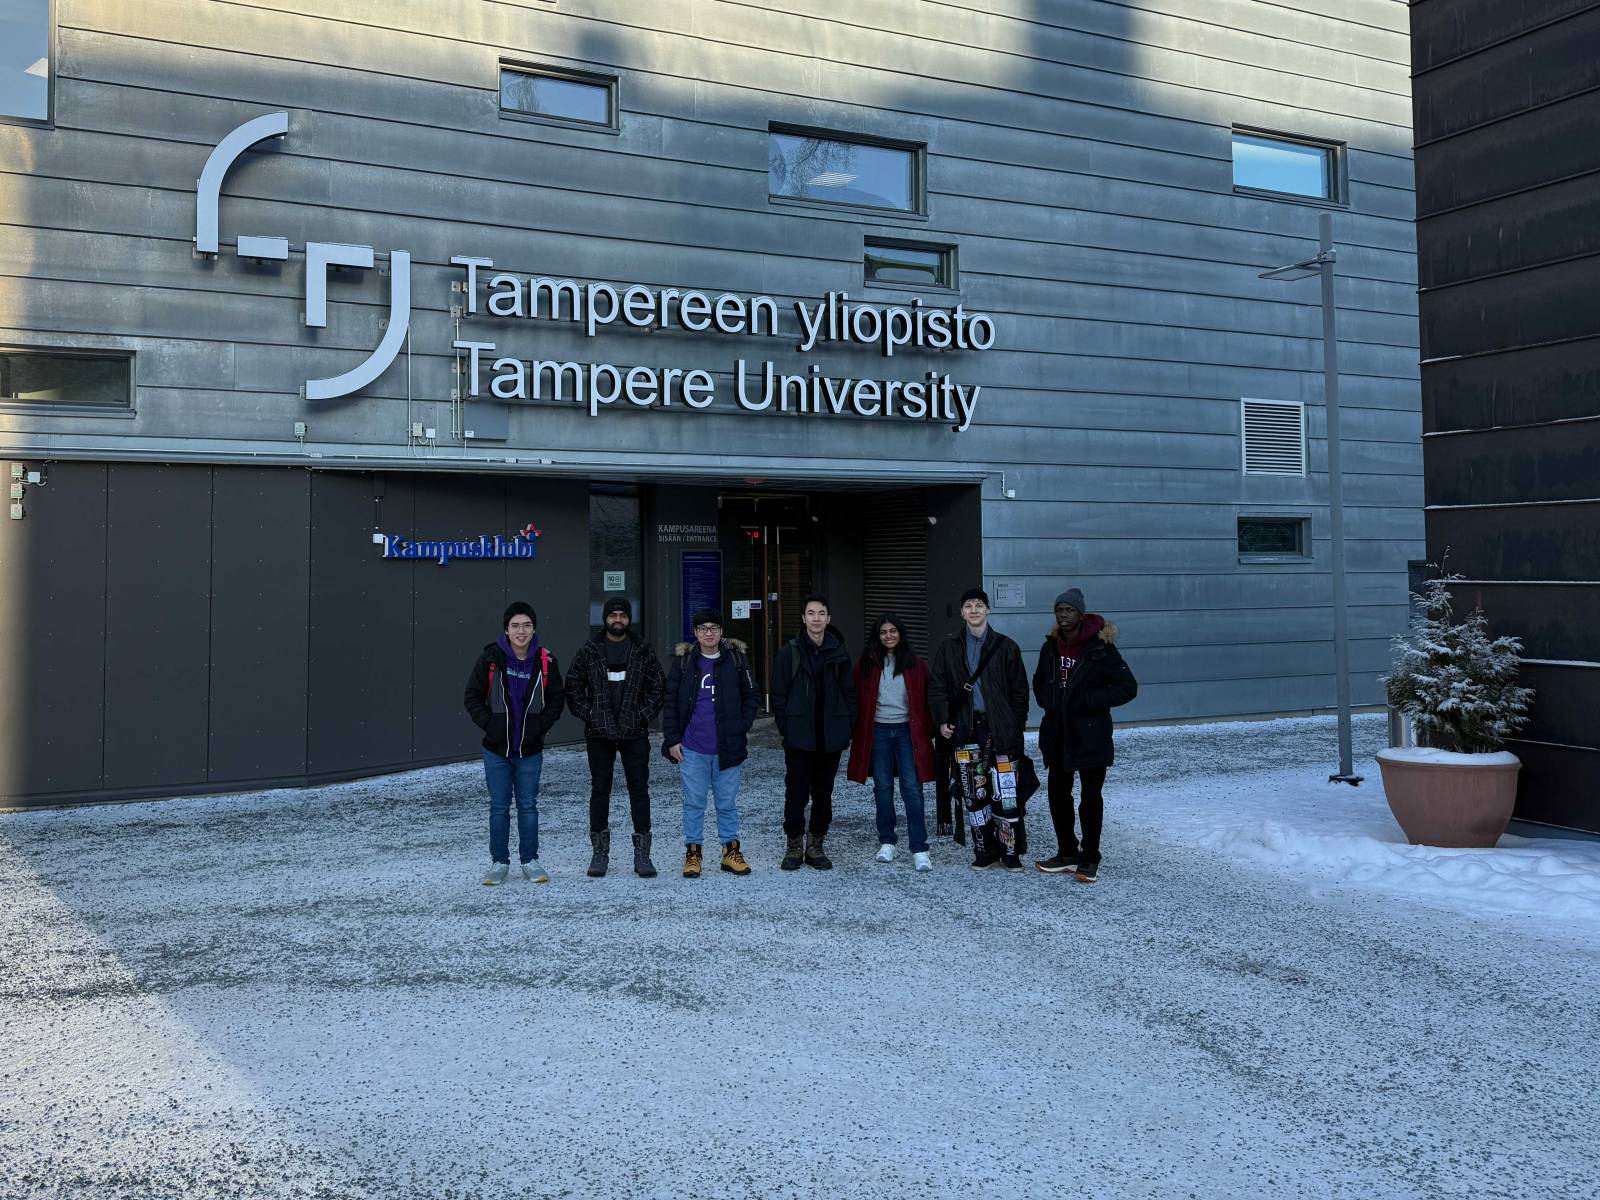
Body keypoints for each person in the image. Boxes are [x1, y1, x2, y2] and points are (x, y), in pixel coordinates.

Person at [1032, 588, 1137, 884]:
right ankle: (1066, 852)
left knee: (1090, 798)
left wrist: (1089, 700)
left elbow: (1127, 687)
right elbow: (1039, 680)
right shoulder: (1050, 646)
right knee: (1057, 794)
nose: (1063, 615)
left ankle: (1090, 857)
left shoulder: (1100, 647)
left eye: (1068, 610)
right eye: (1059, 610)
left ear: (1080, 613)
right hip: (1058, 732)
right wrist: (1049, 700)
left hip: (1091, 734)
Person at [463, 602, 566, 886]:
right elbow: (472, 696)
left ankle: (530, 861)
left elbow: (557, 699)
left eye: (527, 625)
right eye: (515, 625)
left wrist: (540, 726)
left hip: (530, 749)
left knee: (528, 806)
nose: (521, 631)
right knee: (498, 807)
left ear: (534, 629)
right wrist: (491, 724)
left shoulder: (546, 661)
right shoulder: (490, 659)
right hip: (496, 749)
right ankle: (499, 863)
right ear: (506, 629)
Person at [928, 587, 1030, 870]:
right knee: (974, 795)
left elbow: (1020, 692)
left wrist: (1015, 724)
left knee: (1006, 794)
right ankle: (984, 851)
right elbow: (936, 688)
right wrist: (942, 719)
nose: (974, 610)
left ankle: (1009, 852)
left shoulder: (1006, 646)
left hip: (1001, 731)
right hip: (967, 730)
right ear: (962, 612)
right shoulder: (949, 647)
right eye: (969, 606)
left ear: (988, 610)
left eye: (979, 605)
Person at [566, 596, 666, 879]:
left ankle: (642, 854)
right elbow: (572, 687)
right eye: (613, 615)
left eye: (623, 615)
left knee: (639, 791)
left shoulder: (642, 650)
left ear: (628, 619)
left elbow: (658, 686)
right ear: (605, 618)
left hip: (634, 732)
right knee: (600, 791)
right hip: (600, 733)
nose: (618, 619)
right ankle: (599, 853)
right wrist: (591, 714)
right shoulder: (590, 650)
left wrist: (642, 715)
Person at [662, 608, 760, 878]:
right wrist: (672, 739)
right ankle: (693, 854)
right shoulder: (684, 663)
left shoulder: (736, 660)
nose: (708, 633)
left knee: (727, 802)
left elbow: (752, 696)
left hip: (728, 747)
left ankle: (731, 852)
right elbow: (669, 703)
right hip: (693, 747)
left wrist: (742, 727)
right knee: (694, 803)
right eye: (703, 628)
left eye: (714, 628)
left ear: (721, 632)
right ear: (694, 633)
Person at [770, 594, 858, 871]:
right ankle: (794, 845)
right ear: (804, 618)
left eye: (821, 613)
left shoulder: (840, 652)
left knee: (824, 793)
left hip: (829, 737)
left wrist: (846, 726)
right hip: (799, 737)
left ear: (828, 619)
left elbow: (849, 694)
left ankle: (816, 844)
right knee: (795, 793)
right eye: (811, 613)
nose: (816, 618)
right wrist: (788, 727)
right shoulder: (791, 651)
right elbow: (779, 694)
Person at [846, 613, 936, 871]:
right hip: (879, 731)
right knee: (883, 787)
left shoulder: (916, 664)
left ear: (901, 633)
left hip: (908, 731)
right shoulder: (866, 664)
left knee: (912, 788)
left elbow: (928, 700)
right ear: (877, 635)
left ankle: (919, 848)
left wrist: (928, 730)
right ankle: (887, 841)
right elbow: (855, 697)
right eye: (884, 632)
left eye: (893, 631)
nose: (889, 636)